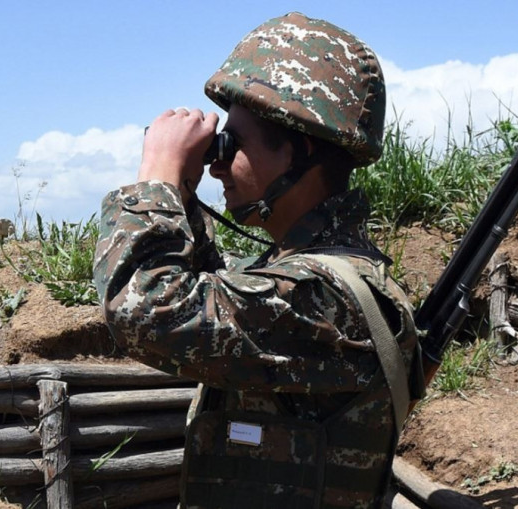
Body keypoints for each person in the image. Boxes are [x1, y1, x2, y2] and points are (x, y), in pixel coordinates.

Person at [94, 12, 422, 509]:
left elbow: (147, 312)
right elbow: (217, 296)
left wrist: (157, 175)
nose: (217, 162)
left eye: (234, 144)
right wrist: (181, 197)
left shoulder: (331, 296)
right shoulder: (304, 271)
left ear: (299, 151)